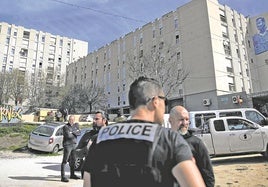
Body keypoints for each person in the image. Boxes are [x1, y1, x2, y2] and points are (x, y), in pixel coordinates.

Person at [83, 76, 205, 187]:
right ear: (155, 101)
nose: (165, 107)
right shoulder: (169, 139)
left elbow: (87, 184)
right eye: (165, 101)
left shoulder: (101, 138)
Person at [169, 105, 215, 187]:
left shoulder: (197, 143)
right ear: (171, 121)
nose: (185, 123)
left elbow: (208, 173)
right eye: (181, 119)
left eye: (187, 119)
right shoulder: (163, 142)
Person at [78, 110, 108, 179]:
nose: (94, 121)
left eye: (97, 119)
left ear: (104, 120)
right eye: (93, 119)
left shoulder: (112, 135)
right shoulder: (87, 135)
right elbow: (77, 154)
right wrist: (86, 149)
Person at [61, 115, 81, 182]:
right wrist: (74, 132)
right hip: (68, 145)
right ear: (68, 120)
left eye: (72, 119)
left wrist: (72, 132)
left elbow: (79, 133)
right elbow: (68, 136)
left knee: (73, 160)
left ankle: (72, 175)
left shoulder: (76, 125)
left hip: (74, 145)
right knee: (65, 161)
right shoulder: (65, 127)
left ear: (74, 120)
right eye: (70, 119)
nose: (71, 121)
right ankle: (63, 177)